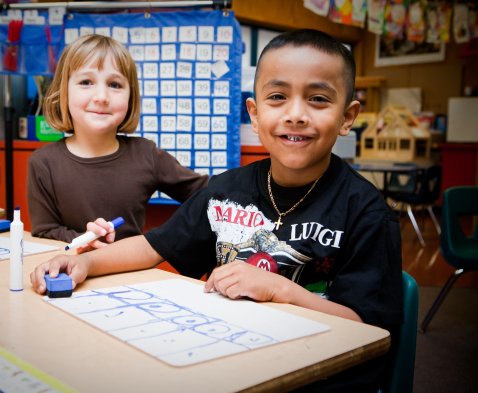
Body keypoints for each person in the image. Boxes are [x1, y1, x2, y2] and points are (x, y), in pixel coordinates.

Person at [30, 29, 403, 391]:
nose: (296, 114)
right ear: (255, 115)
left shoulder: (367, 213)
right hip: (232, 362)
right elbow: (151, 246)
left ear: (348, 116)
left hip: (317, 375)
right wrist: (86, 263)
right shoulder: (226, 191)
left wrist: (279, 290)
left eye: (318, 99)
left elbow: (370, 331)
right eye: (277, 97)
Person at [27, 34, 208, 248]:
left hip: (131, 276)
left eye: (114, 84)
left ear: (131, 97)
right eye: (86, 82)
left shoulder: (146, 154)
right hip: (69, 277)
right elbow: (44, 231)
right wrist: (82, 241)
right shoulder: (43, 164)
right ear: (63, 92)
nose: (102, 96)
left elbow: (208, 193)